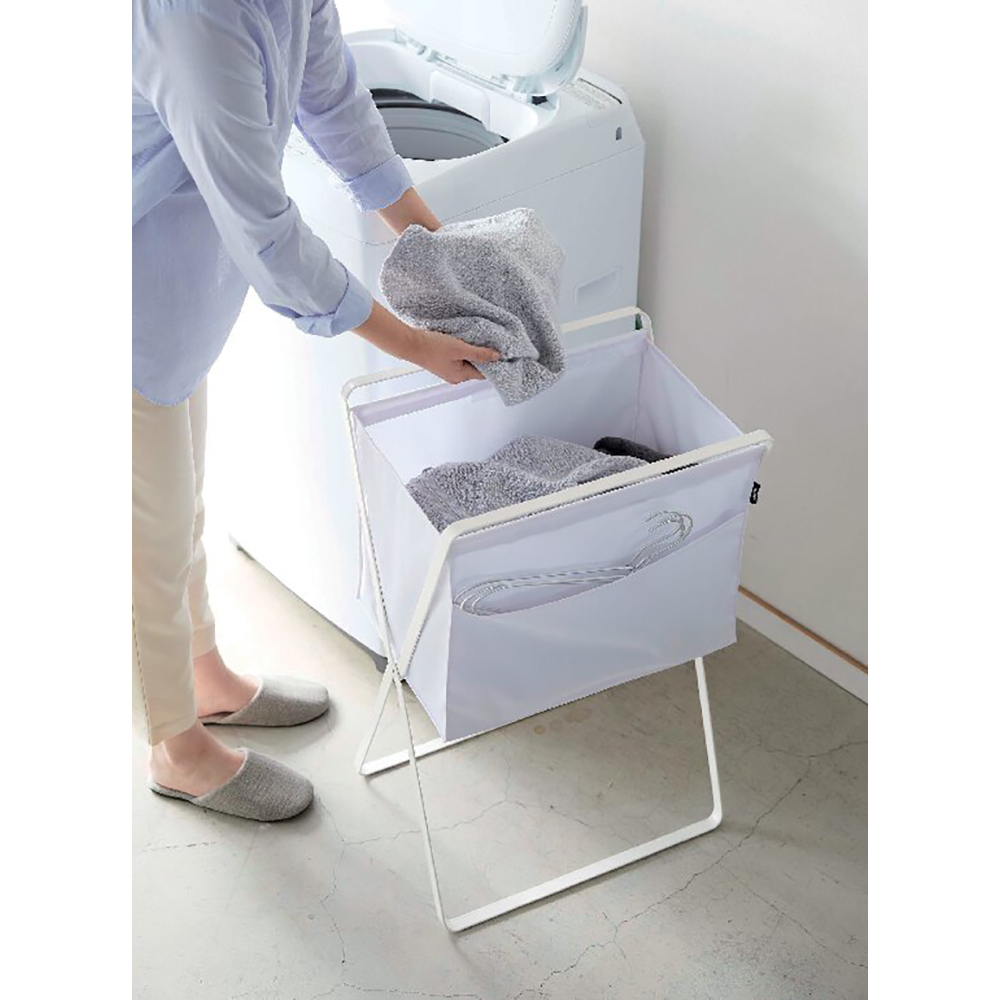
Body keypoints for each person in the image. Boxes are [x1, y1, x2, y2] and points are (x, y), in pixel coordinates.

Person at [132, 0, 499, 822]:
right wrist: (412, 344)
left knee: (180, 507)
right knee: (144, 542)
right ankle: (175, 747)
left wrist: (436, 254)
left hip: (172, 302)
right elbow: (267, 234)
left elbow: (334, 101)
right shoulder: (190, 19)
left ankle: (202, 676)